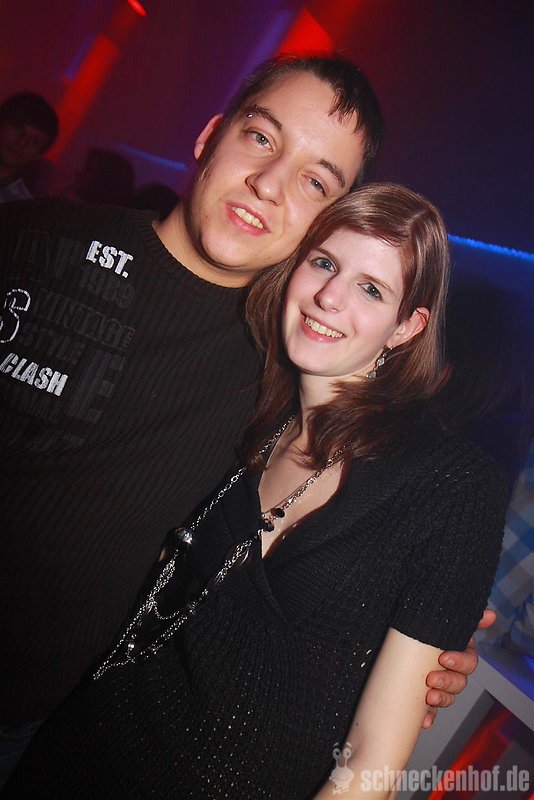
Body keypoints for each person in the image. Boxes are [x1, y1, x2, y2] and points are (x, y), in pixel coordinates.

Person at [0, 55, 488, 775]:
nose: (269, 183)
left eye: (316, 181)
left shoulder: (289, 366)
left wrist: (407, 638)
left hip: (39, 727)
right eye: (261, 137)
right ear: (210, 136)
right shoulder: (27, 243)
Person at [0, 92, 58, 203]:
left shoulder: (20, 206)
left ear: (39, 154)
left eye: (34, 141)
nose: (22, 142)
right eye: (18, 128)